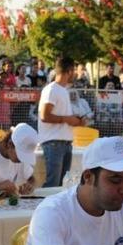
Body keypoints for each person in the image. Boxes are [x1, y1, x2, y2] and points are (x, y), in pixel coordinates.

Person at [38, 57, 83, 187]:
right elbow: (44, 116)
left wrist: (76, 121)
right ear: (69, 71)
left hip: (65, 142)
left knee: (61, 186)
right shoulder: (51, 89)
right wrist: (67, 119)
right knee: (53, 184)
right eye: (74, 70)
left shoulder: (62, 90)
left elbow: (61, 116)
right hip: (54, 143)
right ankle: (43, 207)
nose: (75, 74)